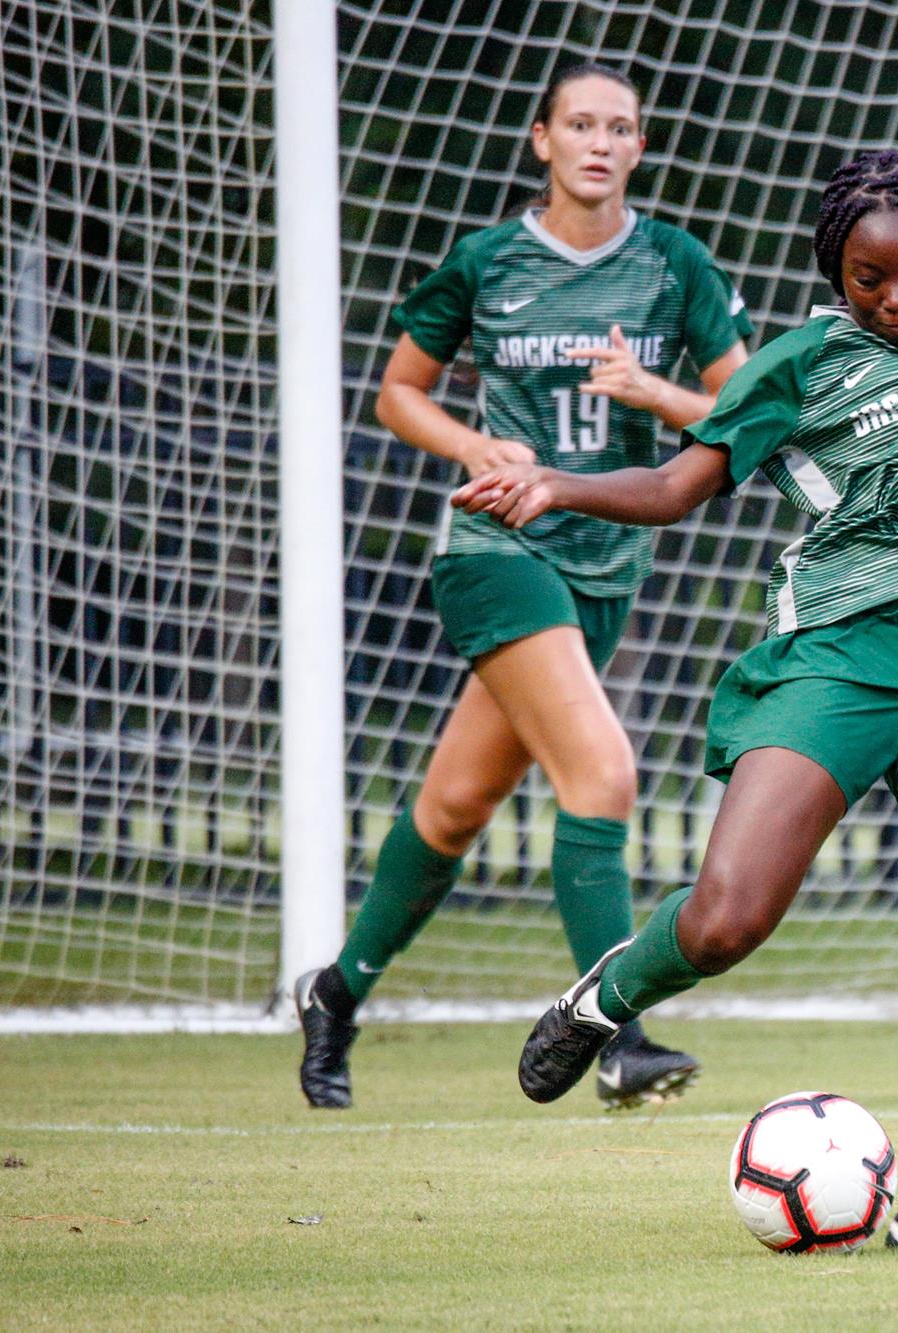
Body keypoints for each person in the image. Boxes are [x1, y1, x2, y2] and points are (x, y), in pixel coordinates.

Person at [454, 150, 898, 1253]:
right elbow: (676, 485)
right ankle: (602, 1000)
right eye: (865, 279)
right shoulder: (797, 362)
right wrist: (555, 484)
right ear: (834, 277)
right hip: (833, 651)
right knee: (726, 917)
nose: (893, 300)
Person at [291, 61, 753, 1112]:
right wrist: (472, 446)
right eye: (578, 124)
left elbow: (741, 415)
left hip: (603, 561)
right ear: (540, 139)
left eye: (619, 127)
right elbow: (399, 392)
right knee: (602, 774)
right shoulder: (487, 261)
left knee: (455, 806)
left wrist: (654, 391)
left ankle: (335, 992)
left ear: (640, 147)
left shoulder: (673, 264)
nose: (599, 141)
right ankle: (618, 1034)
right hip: (495, 553)